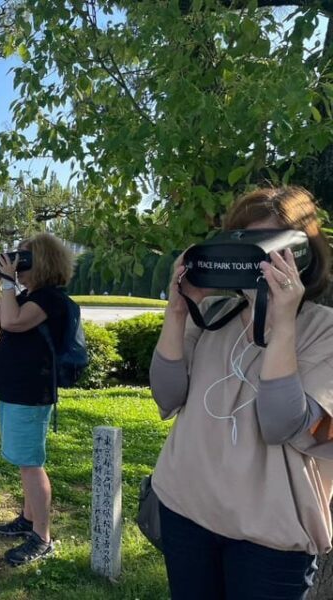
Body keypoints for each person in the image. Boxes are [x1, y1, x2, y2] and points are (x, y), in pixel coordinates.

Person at [150, 186, 333, 600]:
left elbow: (280, 423)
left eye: (266, 246)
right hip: (186, 510)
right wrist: (178, 311)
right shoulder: (214, 314)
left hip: (270, 534)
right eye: (242, 242)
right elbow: (166, 395)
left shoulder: (324, 329)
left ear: (302, 253)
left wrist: (283, 324)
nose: (254, 259)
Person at [0, 232, 73, 566]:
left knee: (30, 463)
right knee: (24, 460)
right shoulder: (29, 295)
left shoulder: (50, 299)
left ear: (42, 262)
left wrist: (8, 283)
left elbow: (12, 321)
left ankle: (42, 536)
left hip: (31, 392)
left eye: (23, 258)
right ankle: (27, 518)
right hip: (14, 388)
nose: (17, 264)